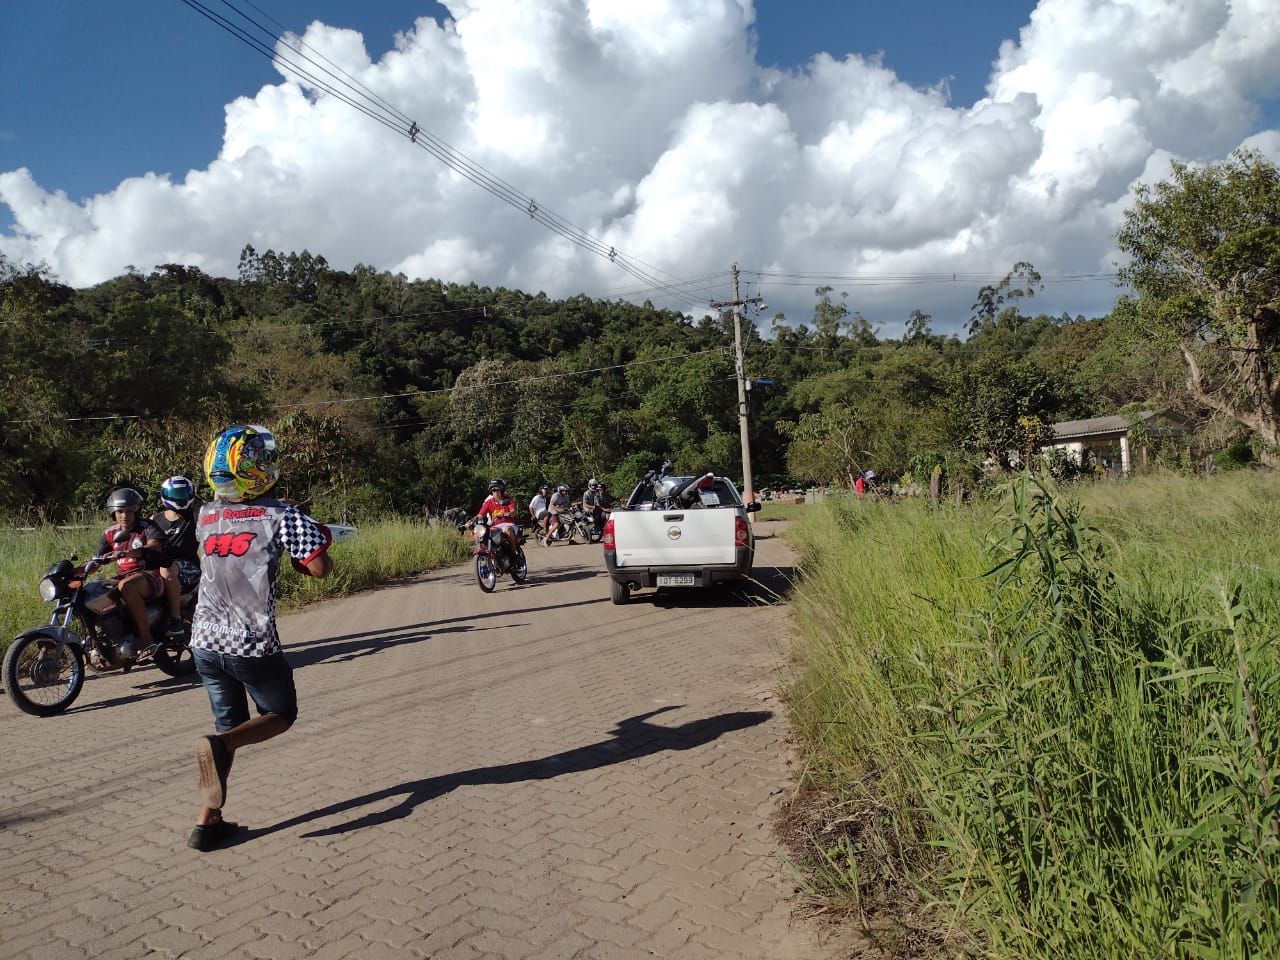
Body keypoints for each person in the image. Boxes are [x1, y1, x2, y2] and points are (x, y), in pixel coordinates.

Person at [188, 424, 334, 853]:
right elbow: (321, 568)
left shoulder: (205, 515)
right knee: (279, 714)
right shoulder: (281, 514)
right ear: (254, 469)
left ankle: (207, 822)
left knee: (231, 725)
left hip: (203, 640)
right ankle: (220, 746)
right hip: (250, 641)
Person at [87, 487, 181, 659]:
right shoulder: (110, 532)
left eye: (129, 511)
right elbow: (97, 560)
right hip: (124, 576)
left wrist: (128, 553)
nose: (124, 515)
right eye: (120, 511)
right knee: (94, 591)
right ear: (113, 513)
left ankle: (147, 640)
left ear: (136, 511)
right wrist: (79, 570)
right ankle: (101, 642)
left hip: (151, 575)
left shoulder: (147, 526)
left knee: (126, 586)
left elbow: (154, 545)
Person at [150, 475, 201, 632]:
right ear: (166, 495)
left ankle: (175, 619)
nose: (182, 498)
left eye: (185, 493)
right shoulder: (154, 519)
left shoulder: (194, 516)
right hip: (160, 566)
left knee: (167, 567)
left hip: (188, 567)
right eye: (177, 494)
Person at [477, 478, 520, 556]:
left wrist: (505, 514)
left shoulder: (508, 500)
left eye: (497, 490)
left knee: (508, 529)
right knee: (480, 531)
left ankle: (513, 554)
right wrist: (470, 522)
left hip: (509, 524)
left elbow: (513, 512)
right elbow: (480, 515)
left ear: (501, 491)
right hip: (496, 527)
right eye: (493, 491)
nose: (495, 493)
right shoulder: (489, 502)